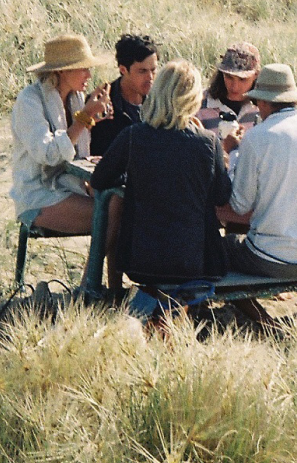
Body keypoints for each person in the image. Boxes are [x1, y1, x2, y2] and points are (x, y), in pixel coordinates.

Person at [91, 60, 232, 299]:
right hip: (195, 262)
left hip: (140, 261)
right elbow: (222, 195)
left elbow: (99, 179)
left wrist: (135, 174)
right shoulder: (208, 142)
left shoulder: (134, 135)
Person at [225, 62, 297, 328]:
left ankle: (269, 324)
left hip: (271, 259)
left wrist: (233, 152)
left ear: (263, 103)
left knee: (220, 251)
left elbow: (240, 204)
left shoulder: (258, 138)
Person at [9, 33, 123, 288]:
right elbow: (48, 154)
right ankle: (89, 287)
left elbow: (75, 150)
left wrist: (92, 122)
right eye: (83, 68)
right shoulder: (30, 101)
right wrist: (84, 118)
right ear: (62, 71)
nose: (88, 75)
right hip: (37, 193)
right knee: (110, 216)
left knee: (120, 199)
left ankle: (114, 288)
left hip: (67, 184)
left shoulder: (74, 98)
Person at [89, 33, 160, 157]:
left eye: (153, 70)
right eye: (142, 71)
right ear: (123, 70)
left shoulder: (160, 103)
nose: (150, 77)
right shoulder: (100, 103)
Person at [197, 41, 262, 155]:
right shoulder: (200, 103)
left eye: (242, 79)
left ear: (256, 75)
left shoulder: (262, 108)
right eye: (229, 77)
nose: (234, 87)